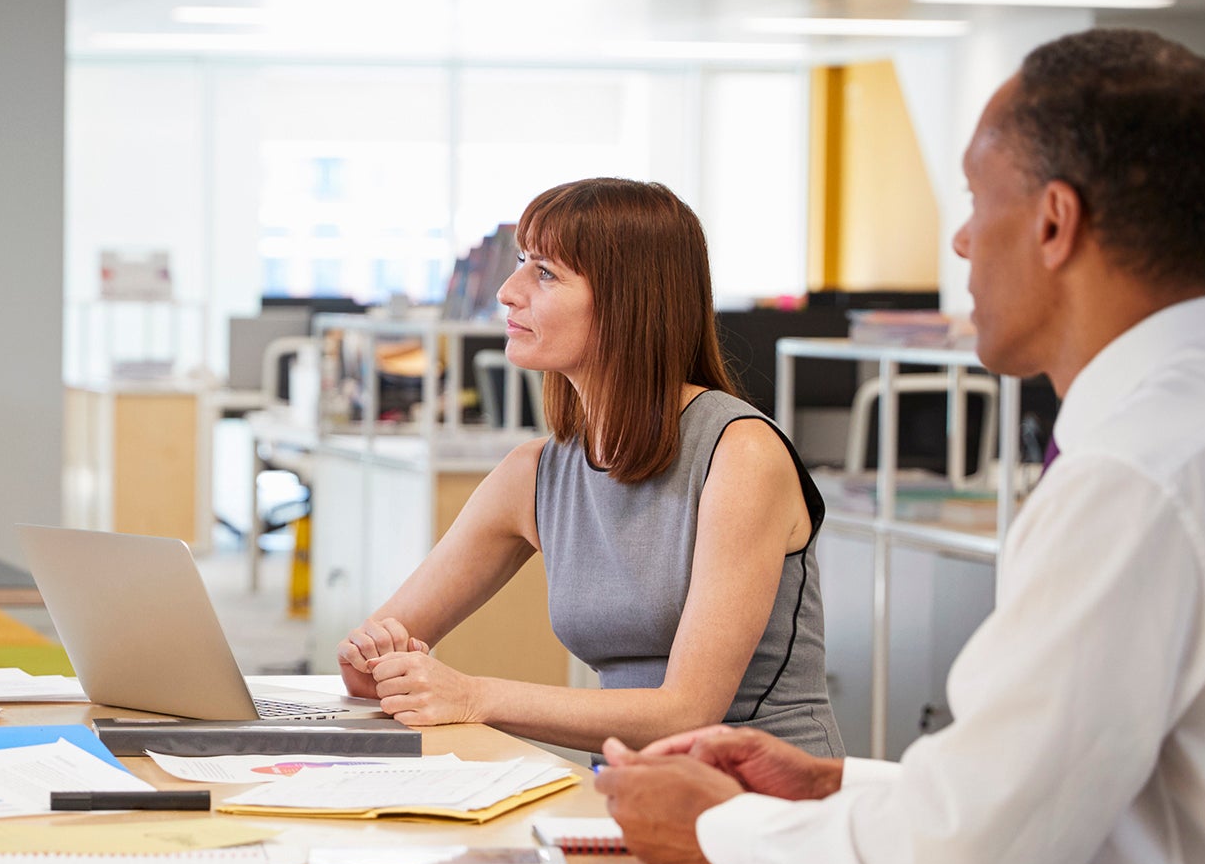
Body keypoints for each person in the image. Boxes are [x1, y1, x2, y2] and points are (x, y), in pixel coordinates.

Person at [596, 29, 1205, 864]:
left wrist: (712, 829)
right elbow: (1108, 778)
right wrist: (841, 783)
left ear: (1053, 221)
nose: (960, 246)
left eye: (976, 204)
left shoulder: (1135, 476)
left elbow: (966, 856)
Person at [336, 179, 841, 756]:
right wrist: (373, 656)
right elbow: (371, 668)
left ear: (631, 300)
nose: (507, 291)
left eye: (545, 273)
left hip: (767, 797)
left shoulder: (741, 454)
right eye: (521, 263)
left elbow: (686, 713)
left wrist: (474, 695)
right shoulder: (533, 473)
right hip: (637, 786)